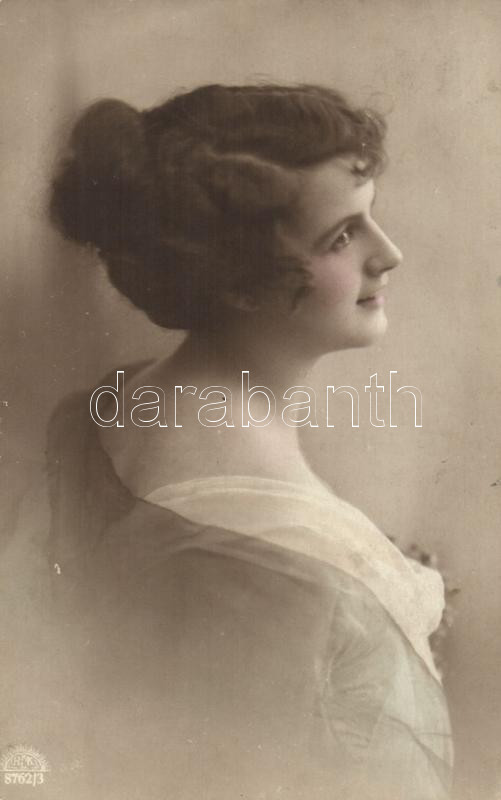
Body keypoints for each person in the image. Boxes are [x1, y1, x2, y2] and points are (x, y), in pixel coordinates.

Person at [42, 84, 453, 799]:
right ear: (239, 280)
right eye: (341, 237)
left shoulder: (111, 403)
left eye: (371, 218)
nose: (388, 254)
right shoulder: (291, 557)